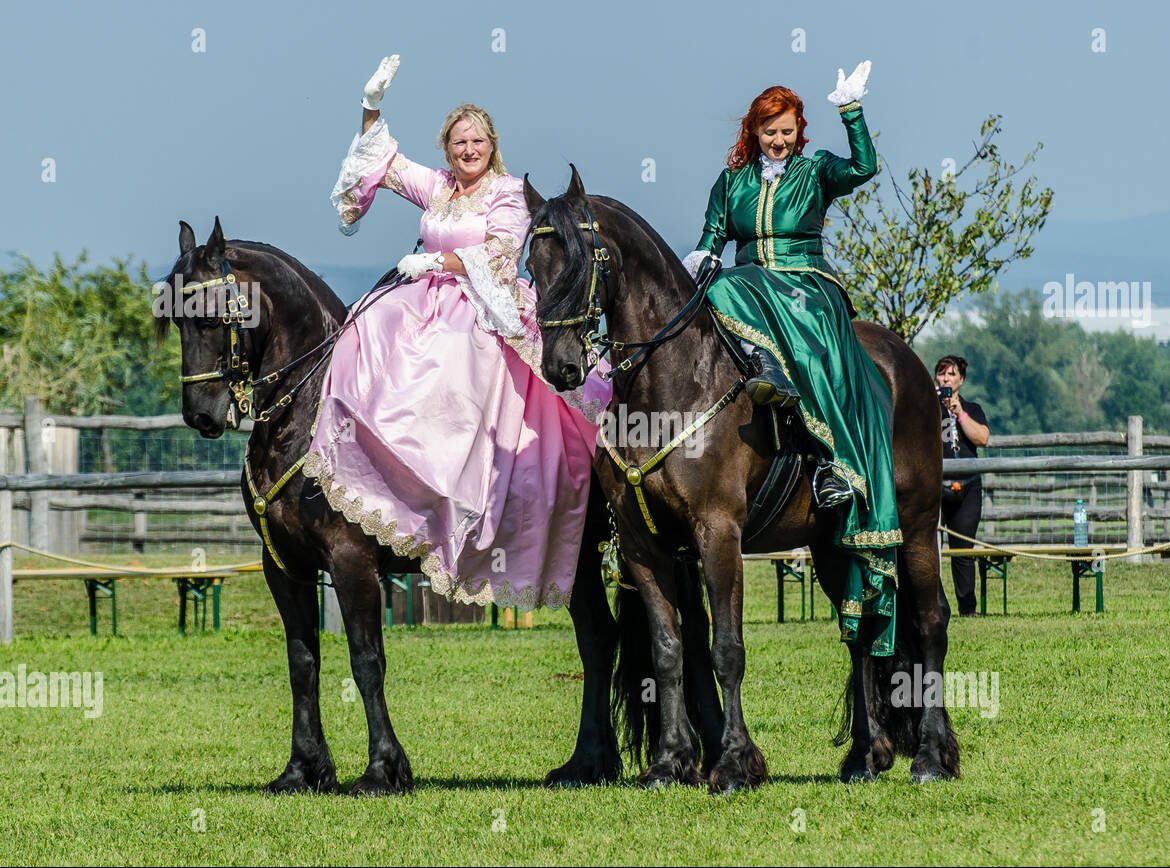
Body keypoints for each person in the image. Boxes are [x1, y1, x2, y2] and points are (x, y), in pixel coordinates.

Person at [304, 54, 611, 610]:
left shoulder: (510, 192)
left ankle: (461, 486)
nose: (468, 151)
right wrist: (370, 107)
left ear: (492, 145)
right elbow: (387, 163)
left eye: (478, 143)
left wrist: (439, 264)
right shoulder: (441, 187)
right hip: (424, 299)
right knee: (366, 325)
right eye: (458, 143)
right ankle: (388, 472)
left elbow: (497, 254)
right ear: (447, 148)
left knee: (452, 358)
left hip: (483, 306)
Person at [683, 62, 902, 655]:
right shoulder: (731, 182)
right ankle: (761, 376)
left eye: (786, 130)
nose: (777, 139)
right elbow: (710, 240)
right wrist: (699, 259)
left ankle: (834, 465)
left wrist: (851, 111)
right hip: (747, 288)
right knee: (721, 286)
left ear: (799, 130)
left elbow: (865, 167)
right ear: (753, 132)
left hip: (805, 287)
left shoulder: (815, 172)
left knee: (738, 289)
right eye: (767, 130)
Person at [934, 355, 990, 617]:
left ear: (961, 380)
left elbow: (983, 438)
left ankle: (968, 609)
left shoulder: (973, 408)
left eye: (951, 375)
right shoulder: (926, 406)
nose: (946, 379)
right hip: (934, 485)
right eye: (942, 374)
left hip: (968, 485)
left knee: (963, 549)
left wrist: (959, 412)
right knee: (929, 549)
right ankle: (931, 606)